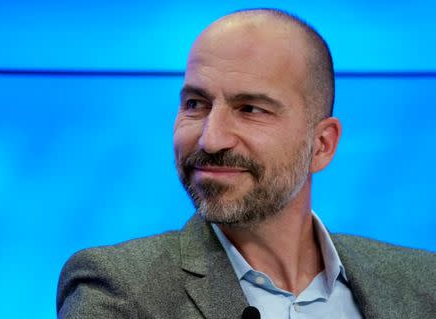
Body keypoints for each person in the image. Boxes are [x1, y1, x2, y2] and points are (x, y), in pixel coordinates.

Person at [57, 8, 436, 319]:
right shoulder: (118, 289)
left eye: (250, 109)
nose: (210, 138)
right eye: (195, 104)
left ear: (321, 146)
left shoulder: (423, 282)